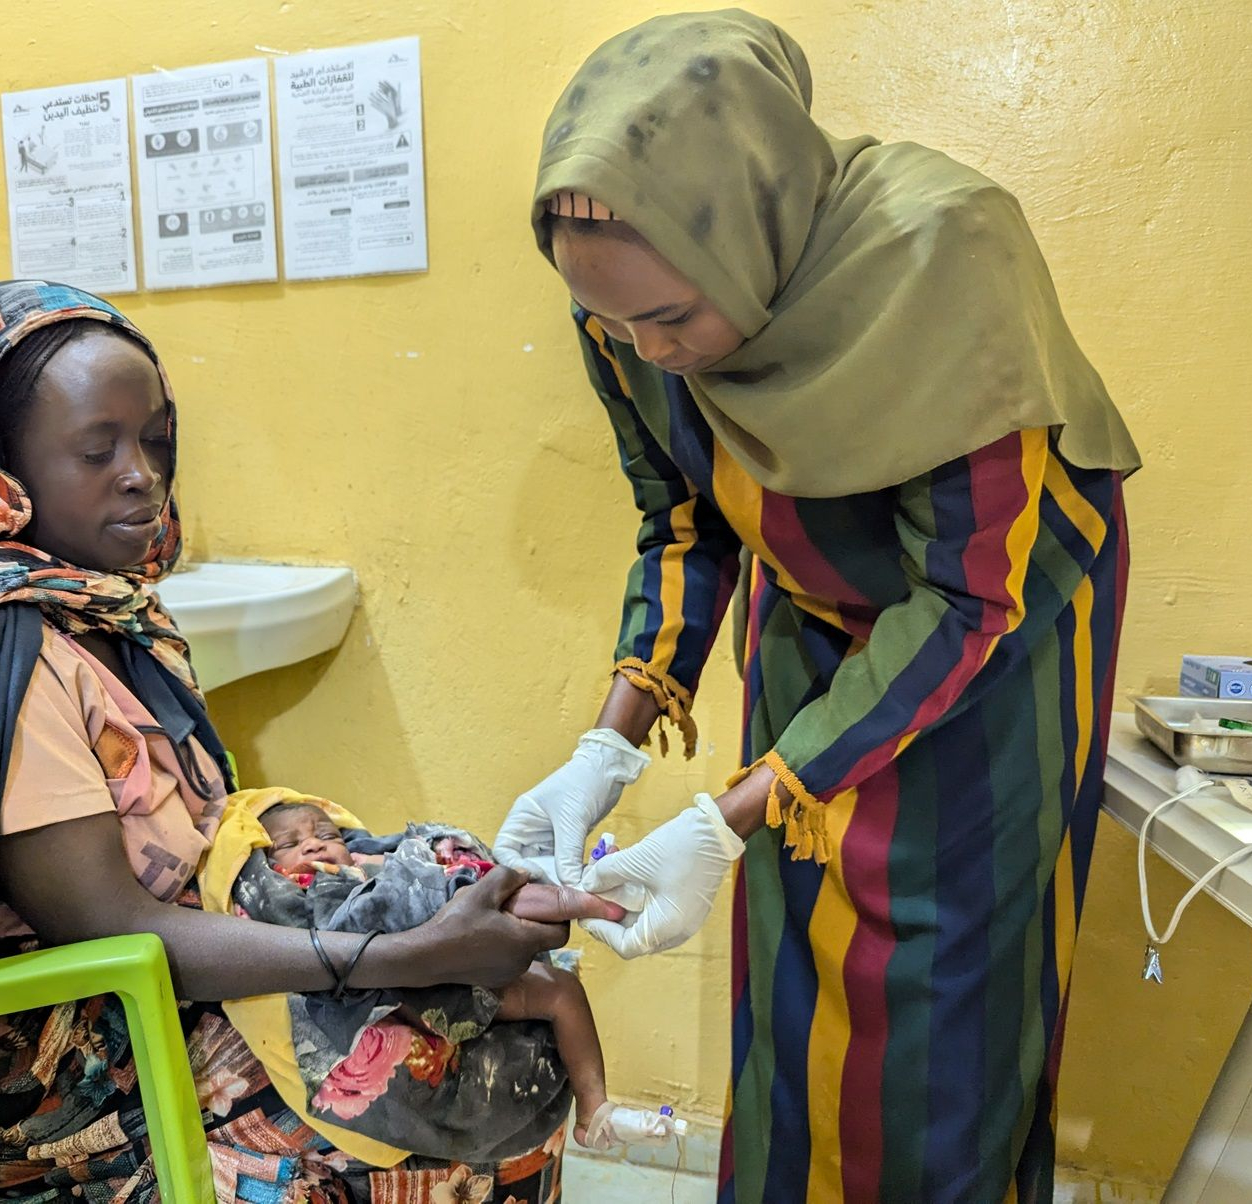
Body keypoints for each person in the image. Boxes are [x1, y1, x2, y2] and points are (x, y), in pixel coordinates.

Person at [495, 11, 1139, 1202]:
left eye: (671, 319)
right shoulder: (627, 310)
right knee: (791, 970)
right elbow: (683, 519)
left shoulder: (944, 257)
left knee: (939, 986)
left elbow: (969, 595)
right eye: (613, 324)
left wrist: (723, 815)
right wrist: (608, 743)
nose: (646, 351)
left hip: (993, 622)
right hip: (809, 600)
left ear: (754, 232)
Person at [0, 280, 578, 1204]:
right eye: (97, 451)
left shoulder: (93, 603)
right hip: (53, 1069)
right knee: (460, 1136)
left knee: (497, 1032)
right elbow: (109, 930)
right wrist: (408, 957)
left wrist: (330, 860)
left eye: (156, 440)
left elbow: (176, 820)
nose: (142, 475)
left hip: (150, 989)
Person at [254, 799, 681, 1150]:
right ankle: (592, 897)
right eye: (289, 844)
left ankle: (594, 1110)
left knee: (562, 989)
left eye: (327, 835)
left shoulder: (374, 864)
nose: (313, 844)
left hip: (466, 965)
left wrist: (426, 867)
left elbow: (427, 872)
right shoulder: (288, 897)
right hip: (398, 994)